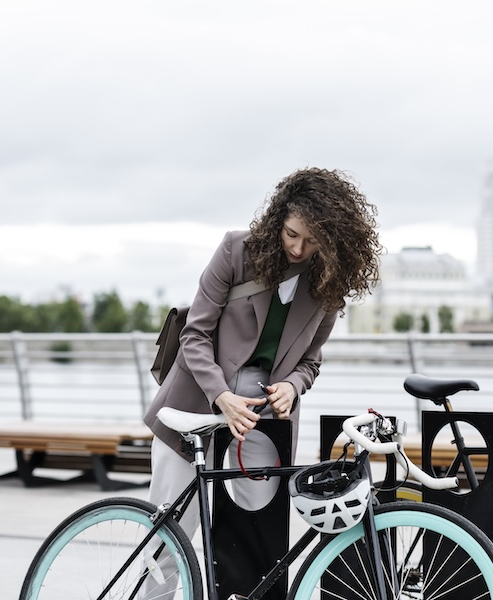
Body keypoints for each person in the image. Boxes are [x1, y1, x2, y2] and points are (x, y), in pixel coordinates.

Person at [141, 167, 382, 595]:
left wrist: (293, 385)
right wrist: (221, 396)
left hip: (263, 416)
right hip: (196, 400)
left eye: (312, 242)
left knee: (258, 529)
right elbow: (195, 334)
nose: (298, 247)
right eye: (291, 234)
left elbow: (310, 361)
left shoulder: (328, 285)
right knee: (170, 540)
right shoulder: (236, 250)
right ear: (279, 219)